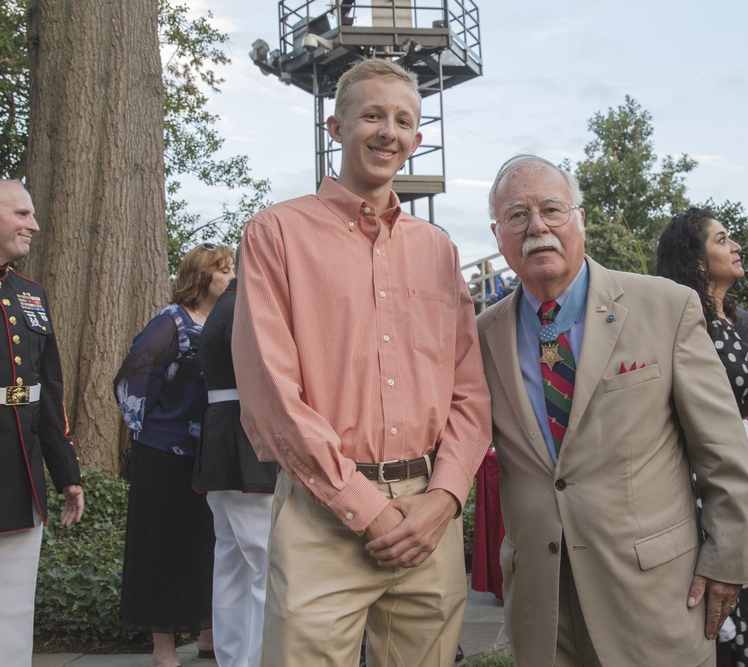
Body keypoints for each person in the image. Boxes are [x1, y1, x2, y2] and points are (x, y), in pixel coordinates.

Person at [231, 58, 491, 667]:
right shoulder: (275, 234)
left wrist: (446, 496)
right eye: (371, 115)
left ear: (417, 140)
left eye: (403, 120)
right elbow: (271, 390)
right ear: (336, 127)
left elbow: (470, 392)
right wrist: (366, 509)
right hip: (324, 515)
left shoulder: (438, 250)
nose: (387, 132)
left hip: (429, 514)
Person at [476, 154, 748, 666]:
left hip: (651, 594)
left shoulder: (666, 307)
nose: (536, 226)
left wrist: (727, 560)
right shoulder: (481, 336)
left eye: (551, 209)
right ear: (499, 234)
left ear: (579, 218)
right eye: (517, 215)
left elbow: (721, 449)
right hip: (542, 604)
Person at [657, 207, 748, 667]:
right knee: (716, 615)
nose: (736, 246)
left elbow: (723, 406)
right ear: (695, 261)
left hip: (729, 482)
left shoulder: (729, 321)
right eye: (722, 240)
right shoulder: (686, 323)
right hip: (701, 489)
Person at [0, 178, 84, 667]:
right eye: (23, 214)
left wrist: (66, 473)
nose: (34, 224)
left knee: (7, 622)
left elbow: (47, 393)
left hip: (21, 474)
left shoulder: (29, 294)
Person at [114, 242, 235, 667]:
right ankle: (163, 648)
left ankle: (208, 632)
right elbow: (131, 381)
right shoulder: (171, 322)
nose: (232, 277)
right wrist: (149, 431)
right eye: (224, 270)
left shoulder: (225, 321)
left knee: (208, 543)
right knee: (162, 547)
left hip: (210, 454)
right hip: (164, 454)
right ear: (202, 277)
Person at [192, 250, 279, 667]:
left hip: (223, 436)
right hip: (248, 439)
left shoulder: (224, 304)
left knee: (232, 562)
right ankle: (257, 659)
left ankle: (234, 658)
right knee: (265, 561)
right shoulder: (248, 304)